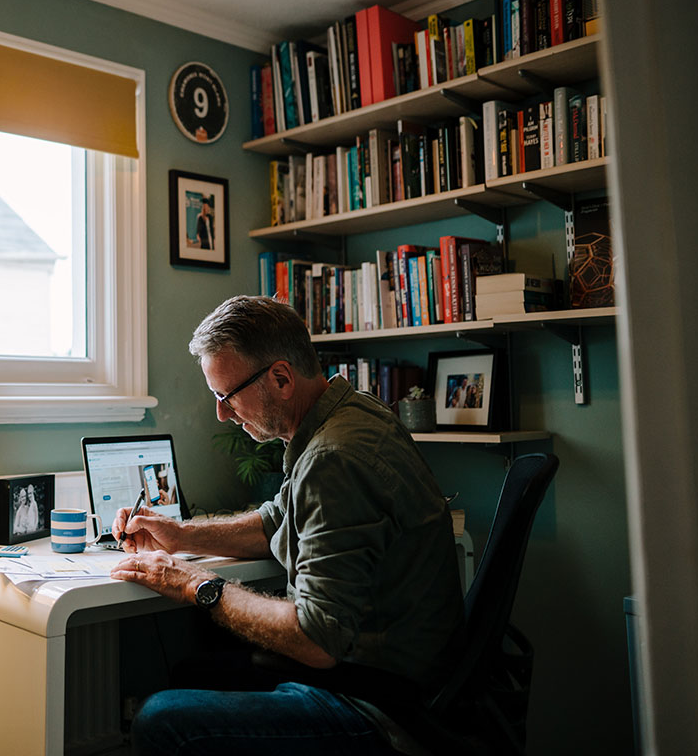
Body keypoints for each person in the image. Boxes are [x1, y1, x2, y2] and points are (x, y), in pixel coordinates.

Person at [110, 295, 465, 755]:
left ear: (280, 378)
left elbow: (317, 638)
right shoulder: (350, 415)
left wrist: (195, 584)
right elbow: (276, 521)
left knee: (160, 720)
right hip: (395, 673)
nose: (221, 413)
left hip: (380, 703)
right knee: (194, 668)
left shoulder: (332, 458)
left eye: (226, 395)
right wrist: (181, 535)